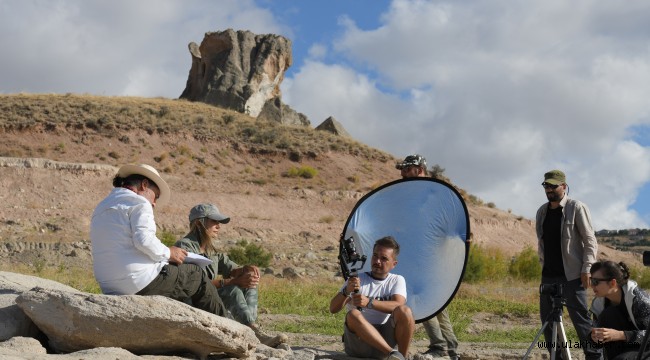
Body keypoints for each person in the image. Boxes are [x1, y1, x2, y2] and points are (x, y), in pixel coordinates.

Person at [90, 164, 225, 317]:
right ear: (144, 185)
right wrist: (169, 252)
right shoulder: (140, 202)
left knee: (176, 274)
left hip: (108, 285)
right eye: (156, 196)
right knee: (195, 275)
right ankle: (228, 329)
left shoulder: (102, 206)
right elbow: (143, 240)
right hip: (136, 281)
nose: (154, 203)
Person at [175, 203, 288, 348]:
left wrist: (247, 270)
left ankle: (252, 329)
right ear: (198, 223)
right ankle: (255, 335)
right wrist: (230, 282)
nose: (218, 226)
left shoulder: (210, 249)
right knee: (231, 289)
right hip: (192, 302)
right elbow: (195, 285)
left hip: (208, 299)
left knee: (248, 283)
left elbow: (231, 267)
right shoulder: (185, 247)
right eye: (214, 221)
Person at [396, 154, 460, 360]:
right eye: (403, 169)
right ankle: (450, 347)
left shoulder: (428, 193)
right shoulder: (424, 192)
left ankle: (440, 346)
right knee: (437, 301)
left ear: (419, 169)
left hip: (427, 254)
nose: (403, 173)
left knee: (422, 299)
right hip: (423, 254)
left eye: (407, 169)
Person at [536, 169, 602, 360]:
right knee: (548, 324)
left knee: (581, 321)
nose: (549, 189)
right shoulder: (542, 211)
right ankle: (558, 357)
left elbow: (590, 240)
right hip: (548, 275)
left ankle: (595, 356)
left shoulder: (576, 207)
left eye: (552, 186)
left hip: (573, 276)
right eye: (546, 186)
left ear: (563, 186)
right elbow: (541, 243)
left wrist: (587, 268)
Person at [329, 236, 415, 360]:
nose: (377, 261)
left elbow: (398, 305)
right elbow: (333, 308)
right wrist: (346, 291)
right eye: (375, 256)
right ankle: (393, 355)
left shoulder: (396, 280)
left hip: (386, 336)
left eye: (384, 258)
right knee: (353, 314)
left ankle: (402, 356)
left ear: (394, 264)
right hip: (359, 344)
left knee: (405, 311)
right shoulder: (357, 279)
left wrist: (369, 302)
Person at [590, 261, 650, 360]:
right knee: (608, 314)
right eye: (591, 280)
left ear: (612, 283)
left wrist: (621, 335)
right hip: (623, 350)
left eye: (595, 282)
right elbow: (596, 337)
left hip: (646, 348)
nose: (591, 286)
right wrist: (594, 337)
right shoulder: (599, 304)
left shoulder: (638, 299)